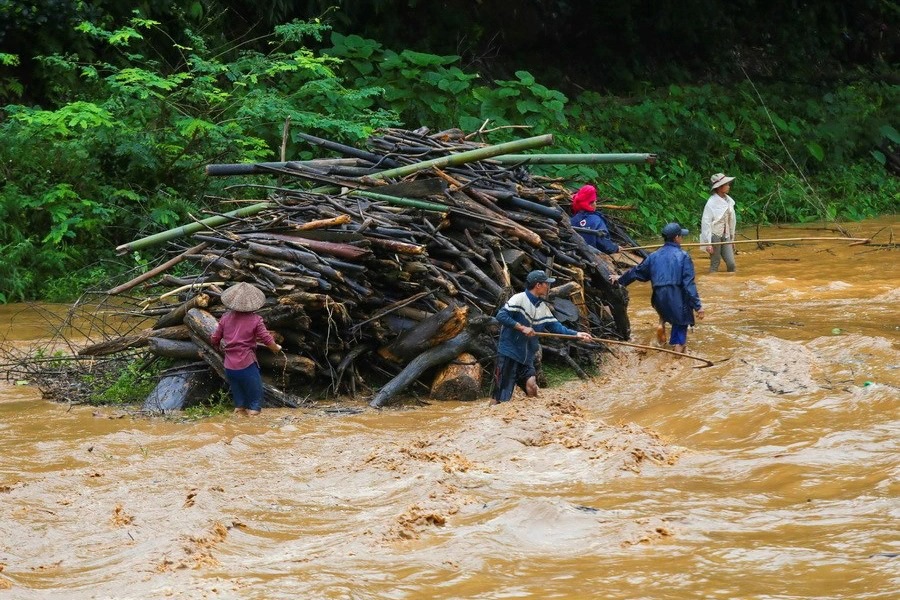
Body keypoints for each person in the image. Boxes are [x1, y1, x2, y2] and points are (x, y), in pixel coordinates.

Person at [492, 270, 592, 404]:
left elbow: (556, 327)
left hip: (526, 357)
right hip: (509, 353)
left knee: (532, 386)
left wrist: (577, 334)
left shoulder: (542, 307)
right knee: (500, 397)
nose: (548, 286)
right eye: (546, 283)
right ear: (538, 285)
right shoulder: (519, 299)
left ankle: (532, 418)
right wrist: (522, 327)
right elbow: (501, 316)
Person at [610, 223, 705, 354]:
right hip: (676, 297)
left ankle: (661, 324)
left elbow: (637, 272)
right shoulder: (683, 256)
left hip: (658, 298)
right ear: (676, 237)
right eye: (681, 236)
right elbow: (688, 284)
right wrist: (698, 306)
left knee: (666, 312)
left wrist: (620, 279)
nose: (682, 239)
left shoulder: (653, 256)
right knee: (680, 332)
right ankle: (676, 360)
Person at [211, 282, 282, 416]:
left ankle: (238, 433)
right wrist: (277, 347)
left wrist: (219, 345)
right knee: (255, 403)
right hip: (246, 365)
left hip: (229, 366)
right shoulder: (256, 319)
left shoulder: (225, 318)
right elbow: (267, 339)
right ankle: (252, 434)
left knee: (239, 405)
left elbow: (215, 338)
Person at [700, 172, 738, 272]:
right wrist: (708, 243)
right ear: (720, 187)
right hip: (715, 236)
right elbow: (706, 223)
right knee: (715, 263)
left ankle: (731, 284)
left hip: (726, 235)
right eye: (726, 184)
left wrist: (732, 238)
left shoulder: (729, 201)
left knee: (731, 263)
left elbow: (731, 221)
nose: (728, 186)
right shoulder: (711, 202)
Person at [569, 184, 619, 254]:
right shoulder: (596, 220)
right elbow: (604, 244)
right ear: (589, 203)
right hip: (591, 259)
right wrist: (616, 248)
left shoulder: (572, 220)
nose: (596, 204)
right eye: (594, 201)